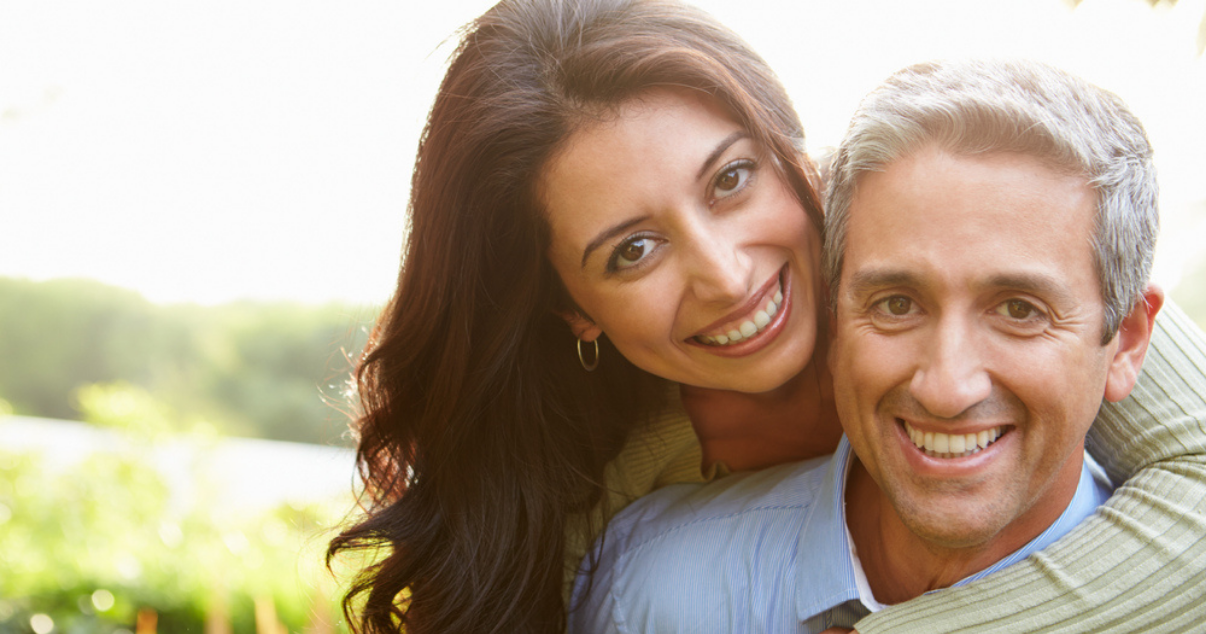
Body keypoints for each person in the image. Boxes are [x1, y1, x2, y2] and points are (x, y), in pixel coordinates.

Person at [326, 1, 1206, 633]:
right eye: (632, 250)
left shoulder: (939, 228)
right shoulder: (604, 504)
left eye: (731, 179)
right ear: (572, 309)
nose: (726, 273)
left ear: (792, 151)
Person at [567, 58, 1178, 632]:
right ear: (835, 320)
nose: (946, 388)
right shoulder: (645, 591)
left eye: (1020, 310)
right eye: (896, 304)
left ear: (1125, 341)